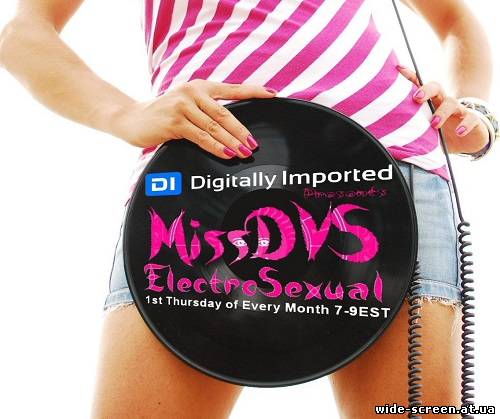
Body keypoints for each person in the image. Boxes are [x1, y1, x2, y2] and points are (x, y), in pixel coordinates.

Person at [0, 0, 495, 417]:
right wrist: (125, 114)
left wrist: (474, 113)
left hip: (384, 164)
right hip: (201, 174)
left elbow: (455, 19)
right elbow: (23, 33)